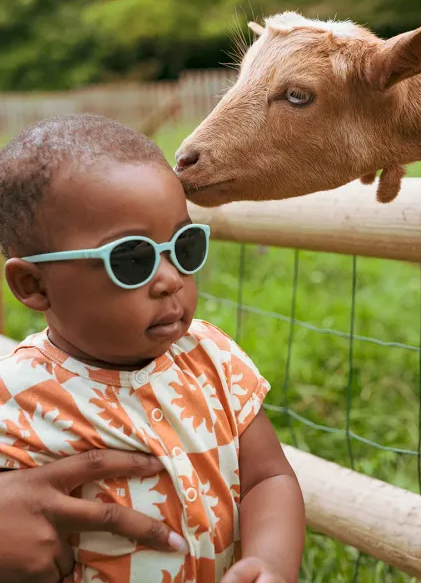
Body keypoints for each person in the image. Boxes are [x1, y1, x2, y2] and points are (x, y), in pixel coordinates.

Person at [0, 114, 305, 583]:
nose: (169, 279)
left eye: (183, 247)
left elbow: (268, 477)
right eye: (131, 259)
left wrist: (269, 563)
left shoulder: (213, 358)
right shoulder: (17, 401)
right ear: (33, 284)